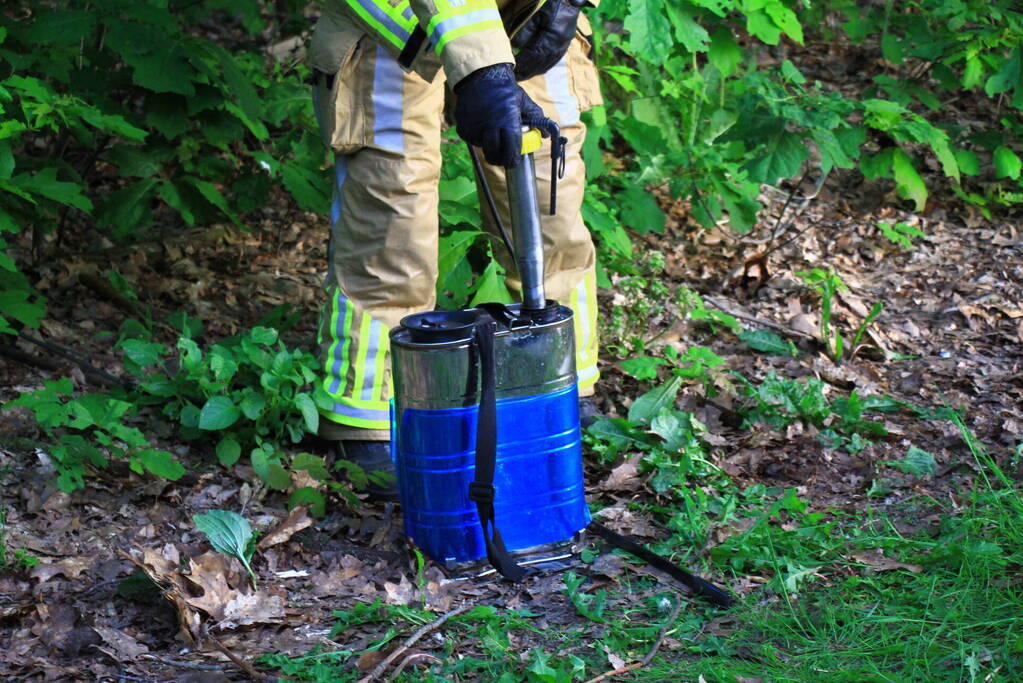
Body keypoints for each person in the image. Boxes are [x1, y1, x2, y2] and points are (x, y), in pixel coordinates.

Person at [307, 0, 603, 498]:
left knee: (553, 200)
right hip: (392, 21)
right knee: (389, 228)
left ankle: (558, 388)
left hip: (527, 12)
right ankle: (367, 418)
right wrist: (482, 69)